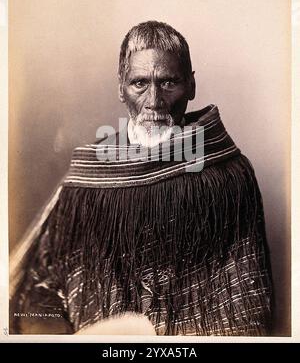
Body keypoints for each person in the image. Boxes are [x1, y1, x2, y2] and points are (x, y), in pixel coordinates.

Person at [10, 21, 273, 336]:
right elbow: (43, 287)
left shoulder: (227, 175)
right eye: (139, 83)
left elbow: (246, 298)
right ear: (120, 88)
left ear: (191, 86)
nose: (154, 102)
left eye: (168, 82)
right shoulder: (89, 179)